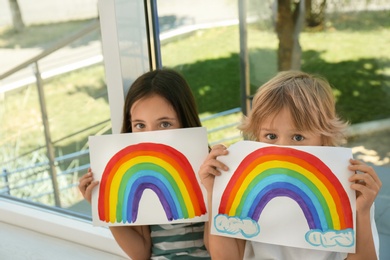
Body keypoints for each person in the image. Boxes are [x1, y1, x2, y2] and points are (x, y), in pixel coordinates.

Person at [199, 70, 381, 260]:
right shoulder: (244, 187)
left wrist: (362, 213)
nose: (283, 148)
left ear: (324, 140)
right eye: (271, 136)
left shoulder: (351, 190)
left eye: (298, 137)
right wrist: (216, 194)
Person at [79, 68, 211, 259]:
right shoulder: (135, 173)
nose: (151, 136)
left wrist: (214, 193)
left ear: (185, 121)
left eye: (164, 124)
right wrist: (102, 206)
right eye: (140, 125)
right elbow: (139, 253)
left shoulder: (208, 169)